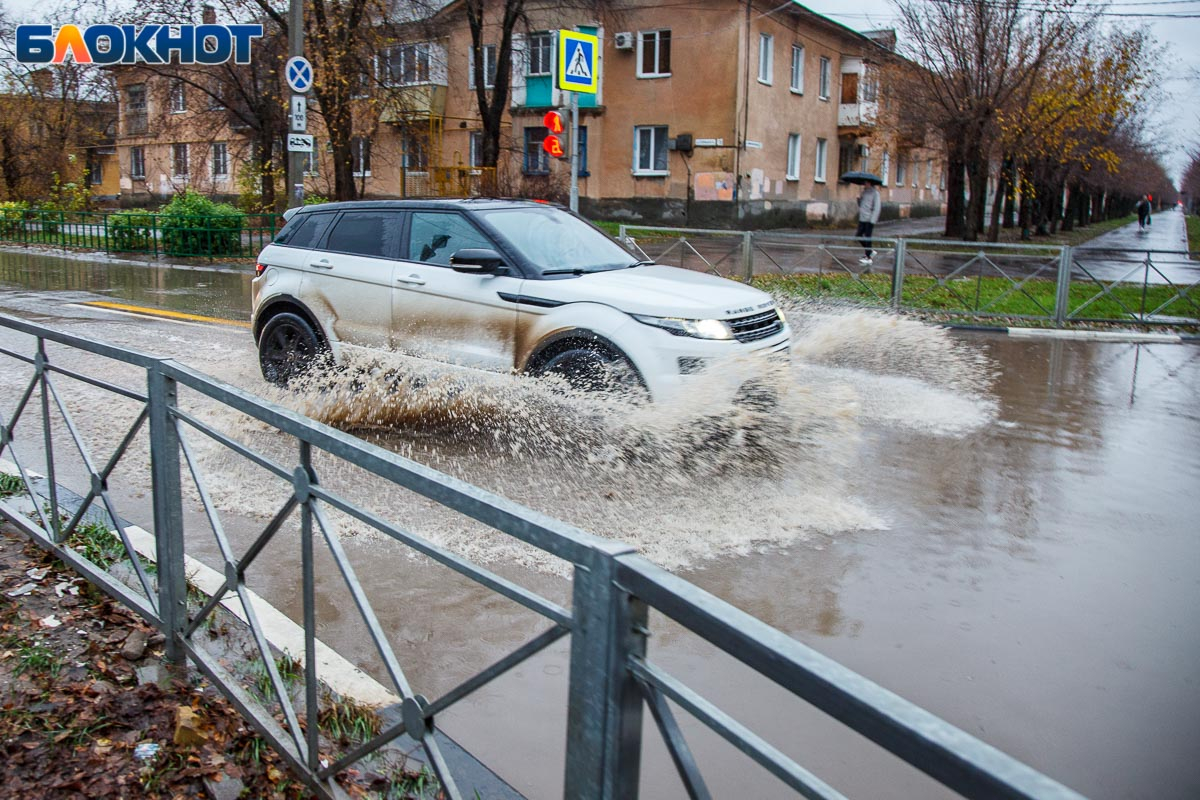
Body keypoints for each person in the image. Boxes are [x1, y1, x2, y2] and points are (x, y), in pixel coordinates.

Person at [857, 182, 881, 266]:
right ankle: (870, 251)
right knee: (858, 236)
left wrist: (873, 220)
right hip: (862, 218)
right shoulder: (864, 192)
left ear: (870, 184)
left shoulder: (875, 193)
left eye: (866, 183)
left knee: (867, 237)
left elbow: (877, 207)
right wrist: (859, 199)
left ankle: (869, 258)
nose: (864, 184)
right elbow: (861, 205)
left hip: (869, 219)